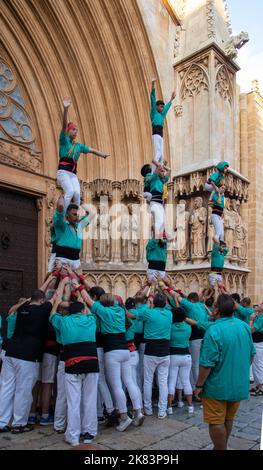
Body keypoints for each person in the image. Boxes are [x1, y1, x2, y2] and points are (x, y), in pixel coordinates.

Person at [78, 287, 144, 432]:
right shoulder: (120, 311)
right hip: (125, 350)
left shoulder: (104, 312)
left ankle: (124, 416)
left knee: (116, 386)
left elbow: (88, 300)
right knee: (129, 381)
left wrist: (78, 285)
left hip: (112, 351)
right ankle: (138, 412)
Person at [195, 294, 256, 450]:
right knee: (228, 418)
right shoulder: (244, 326)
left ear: (216, 310)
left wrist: (199, 385)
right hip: (238, 384)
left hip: (217, 386)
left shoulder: (213, 330)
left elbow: (207, 363)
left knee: (216, 421)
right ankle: (221, 447)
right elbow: (251, 355)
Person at [0, 284, 56, 433]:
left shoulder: (20, 309)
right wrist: (61, 281)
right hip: (27, 355)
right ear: (42, 300)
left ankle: (2, 421)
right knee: (23, 389)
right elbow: (55, 297)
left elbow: (13, 309)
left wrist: (49, 278)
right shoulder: (43, 310)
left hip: (10, 352)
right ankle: (19, 423)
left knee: (6, 387)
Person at [50, 294, 99, 447]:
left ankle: (73, 436)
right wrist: (84, 302)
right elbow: (91, 313)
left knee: (73, 401)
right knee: (90, 399)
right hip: (91, 364)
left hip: (72, 364)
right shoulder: (91, 320)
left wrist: (57, 300)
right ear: (83, 311)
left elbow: (52, 315)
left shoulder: (63, 321)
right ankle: (89, 433)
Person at [57, 97, 110, 211]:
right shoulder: (64, 140)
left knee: (76, 194)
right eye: (73, 129)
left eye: (76, 130)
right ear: (68, 131)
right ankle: (64, 215)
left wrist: (103, 155)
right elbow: (63, 125)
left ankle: (74, 216)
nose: (75, 132)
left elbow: (91, 150)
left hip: (72, 174)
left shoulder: (78, 146)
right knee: (70, 191)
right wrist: (66, 109)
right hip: (63, 172)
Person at [138, 292, 172, 419]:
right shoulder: (169, 313)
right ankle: (162, 411)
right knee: (163, 382)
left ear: (153, 303)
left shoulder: (149, 312)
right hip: (164, 350)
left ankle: (148, 409)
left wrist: (149, 301)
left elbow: (140, 311)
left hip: (151, 350)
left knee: (148, 380)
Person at [52, 196, 92, 270]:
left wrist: (81, 203)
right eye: (74, 214)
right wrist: (64, 196)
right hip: (62, 259)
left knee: (80, 281)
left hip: (76, 261)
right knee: (60, 280)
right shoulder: (61, 225)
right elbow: (60, 206)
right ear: (67, 215)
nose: (76, 217)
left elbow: (91, 213)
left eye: (77, 215)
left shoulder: (79, 226)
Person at [167, 307, 194, 415]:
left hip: (173, 355)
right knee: (186, 381)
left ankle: (169, 407)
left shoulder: (169, 327)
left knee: (171, 381)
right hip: (186, 355)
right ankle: (190, 406)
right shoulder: (188, 328)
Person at [150, 79, 175, 167]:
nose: (162, 109)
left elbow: (167, 107)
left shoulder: (162, 114)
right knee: (158, 151)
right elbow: (153, 99)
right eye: (160, 107)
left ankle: (159, 165)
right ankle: (155, 161)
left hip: (161, 134)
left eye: (162, 107)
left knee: (161, 153)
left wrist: (171, 99)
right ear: (157, 107)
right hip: (156, 133)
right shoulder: (154, 113)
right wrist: (153, 85)